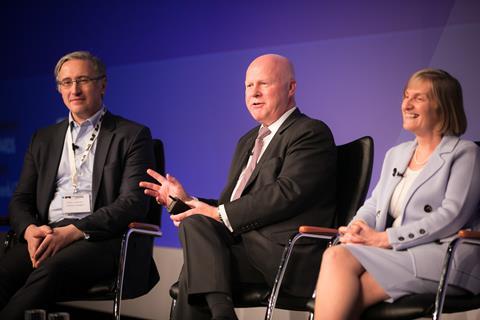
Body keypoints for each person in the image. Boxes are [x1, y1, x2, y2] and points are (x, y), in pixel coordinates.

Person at [140, 54, 337, 320]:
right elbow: (230, 204)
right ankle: (222, 312)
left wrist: (216, 214)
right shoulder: (247, 141)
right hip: (241, 248)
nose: (253, 93)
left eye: (263, 84)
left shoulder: (309, 132)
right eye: (248, 85)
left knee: (195, 271)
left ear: (291, 88)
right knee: (195, 227)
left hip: (281, 256)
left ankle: (222, 312)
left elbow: (286, 193)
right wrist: (186, 201)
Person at [314, 68, 480, 320]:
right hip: (399, 254)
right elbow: (374, 204)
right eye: (405, 96)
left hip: (444, 256)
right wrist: (357, 227)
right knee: (340, 261)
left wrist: (384, 239)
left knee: (343, 272)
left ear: (442, 107)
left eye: (419, 98)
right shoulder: (397, 154)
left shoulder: (465, 153)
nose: (407, 104)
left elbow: (452, 216)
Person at [0, 51, 154, 319]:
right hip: (46, 234)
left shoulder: (131, 135)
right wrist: (29, 231)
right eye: (66, 82)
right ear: (59, 89)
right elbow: (20, 199)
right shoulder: (43, 138)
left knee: (50, 270)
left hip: (97, 238)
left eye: (82, 80)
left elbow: (132, 203)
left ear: (102, 84)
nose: (74, 89)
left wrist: (74, 231)